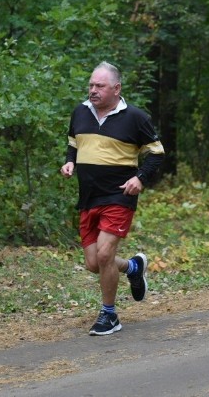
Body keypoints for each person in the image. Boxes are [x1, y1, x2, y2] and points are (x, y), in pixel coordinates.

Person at [60, 61, 165, 335]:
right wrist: (70, 162)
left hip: (120, 195)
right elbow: (73, 142)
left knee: (106, 253)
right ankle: (132, 267)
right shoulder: (80, 112)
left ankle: (109, 315)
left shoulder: (135, 117)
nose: (93, 90)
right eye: (91, 85)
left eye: (100, 86)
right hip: (89, 196)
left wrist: (140, 178)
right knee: (94, 263)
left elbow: (156, 152)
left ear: (116, 89)